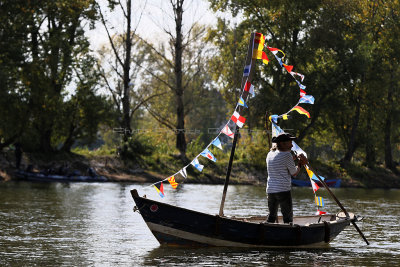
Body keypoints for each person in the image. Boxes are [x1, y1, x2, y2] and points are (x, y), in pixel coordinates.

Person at [266, 133, 307, 224]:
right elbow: (294, 173)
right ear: (283, 144)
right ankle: (288, 235)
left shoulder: (270, 154)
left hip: (271, 190)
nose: (292, 145)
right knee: (287, 217)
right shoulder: (287, 155)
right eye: (290, 142)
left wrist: (295, 158)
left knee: (271, 216)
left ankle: (267, 231)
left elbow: (280, 162)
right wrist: (300, 164)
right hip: (283, 190)